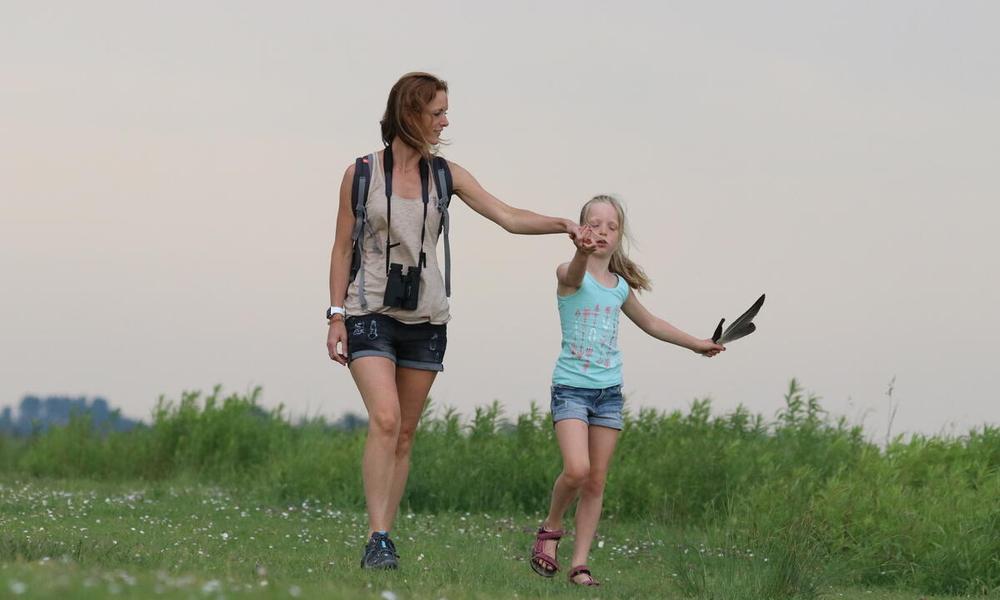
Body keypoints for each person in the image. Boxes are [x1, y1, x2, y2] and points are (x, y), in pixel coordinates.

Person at [325, 72, 581, 570]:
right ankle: (377, 538)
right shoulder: (360, 174)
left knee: (404, 434)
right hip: (368, 310)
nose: (446, 120)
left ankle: (385, 534)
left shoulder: (446, 175)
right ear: (410, 114)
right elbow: (340, 247)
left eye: (446, 110)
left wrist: (562, 225)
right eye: (438, 111)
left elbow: (507, 216)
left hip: (426, 317)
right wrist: (336, 314)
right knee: (385, 418)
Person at [529, 194, 725, 586]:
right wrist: (581, 253)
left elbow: (651, 323)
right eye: (594, 224)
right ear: (581, 230)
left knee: (596, 480)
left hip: (608, 394)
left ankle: (580, 564)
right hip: (571, 389)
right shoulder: (569, 271)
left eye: (611, 227)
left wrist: (697, 343)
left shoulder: (618, 287)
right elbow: (573, 274)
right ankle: (550, 528)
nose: (602, 231)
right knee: (577, 469)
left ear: (619, 237)